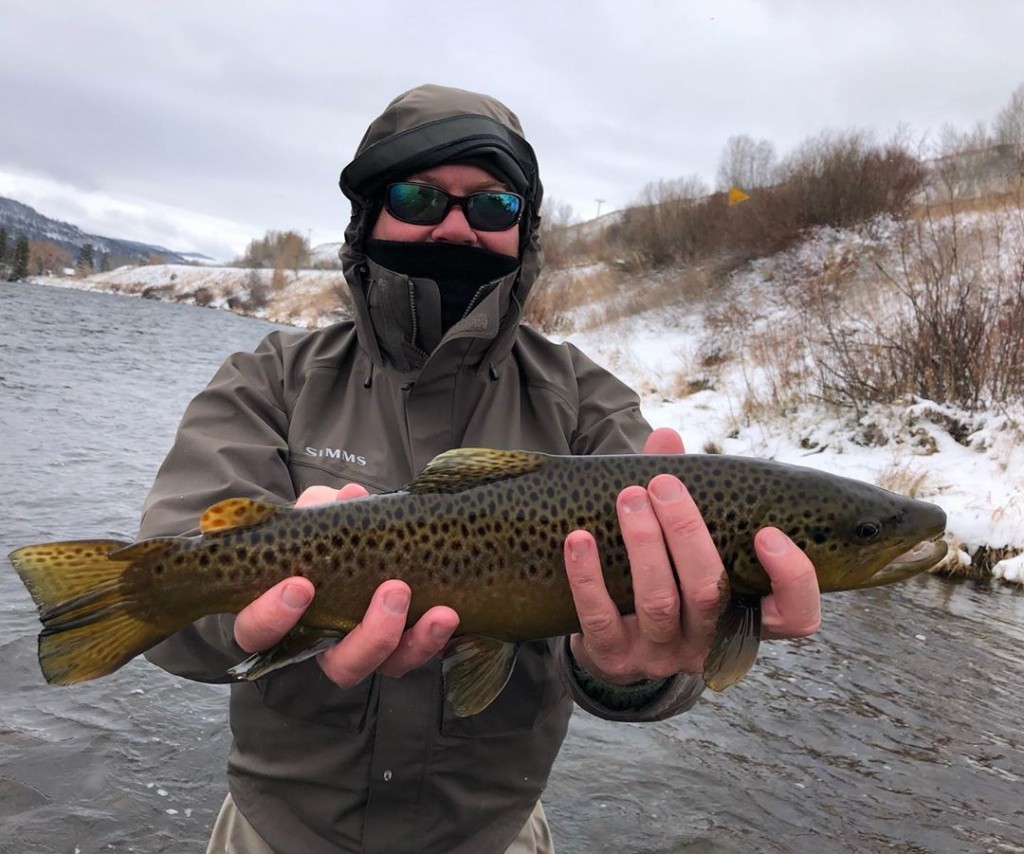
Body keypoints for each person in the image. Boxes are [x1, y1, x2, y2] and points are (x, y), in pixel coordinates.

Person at [140, 84, 821, 854]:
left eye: (494, 207)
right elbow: (163, 608)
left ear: (523, 233)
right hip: (277, 833)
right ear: (369, 216)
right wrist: (243, 613)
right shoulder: (271, 378)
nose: (457, 226)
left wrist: (628, 670)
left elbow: (657, 648)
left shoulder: (587, 406)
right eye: (419, 196)